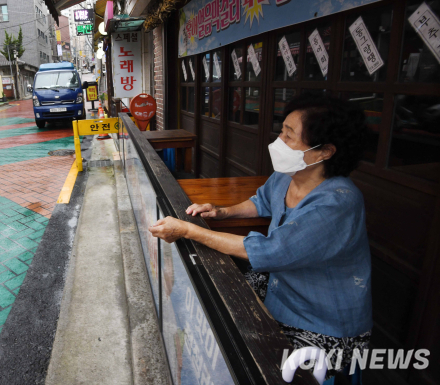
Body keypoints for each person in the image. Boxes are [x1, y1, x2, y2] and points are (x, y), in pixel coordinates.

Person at [149, 94, 372, 380]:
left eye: (289, 136)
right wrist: (222, 211)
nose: (279, 142)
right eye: (282, 131)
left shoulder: (338, 203)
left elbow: (268, 252)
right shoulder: (290, 174)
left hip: (322, 320)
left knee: (258, 365)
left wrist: (188, 229)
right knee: (219, 307)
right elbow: (261, 201)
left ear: (324, 152)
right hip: (282, 287)